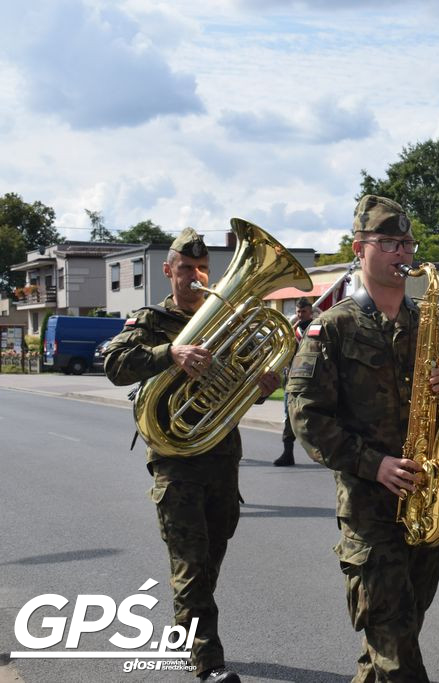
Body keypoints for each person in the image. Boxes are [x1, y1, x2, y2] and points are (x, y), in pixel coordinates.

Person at [286, 196, 439, 682]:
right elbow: (306, 415)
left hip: (430, 502)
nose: (402, 252)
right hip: (369, 509)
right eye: (389, 243)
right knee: (397, 650)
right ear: (360, 249)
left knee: (396, 638)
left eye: (406, 242)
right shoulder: (332, 327)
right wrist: (373, 464)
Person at [104, 228, 280, 683]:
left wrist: (259, 387)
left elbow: (238, 384)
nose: (195, 276)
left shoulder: (223, 318)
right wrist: (171, 352)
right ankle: (209, 662)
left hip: (221, 458)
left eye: (202, 269)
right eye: (186, 269)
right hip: (175, 460)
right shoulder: (150, 319)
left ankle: (187, 629)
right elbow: (114, 366)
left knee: (209, 560)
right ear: (168, 271)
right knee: (190, 563)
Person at [274, 297, 314, 467]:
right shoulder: (292, 330)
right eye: (298, 311)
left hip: (313, 382)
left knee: (316, 417)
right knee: (289, 416)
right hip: (292, 382)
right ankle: (287, 453)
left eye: (303, 311)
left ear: (310, 311)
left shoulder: (317, 327)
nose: (300, 314)